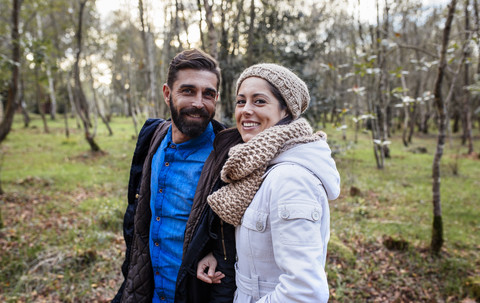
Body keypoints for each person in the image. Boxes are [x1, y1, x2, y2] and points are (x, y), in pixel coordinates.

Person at [197, 63, 341, 302]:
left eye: (260, 101)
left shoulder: (290, 180)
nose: (246, 110)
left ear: (286, 110)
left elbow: (304, 292)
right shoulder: (258, 169)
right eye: (241, 101)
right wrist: (218, 256)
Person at [112, 49, 236, 303]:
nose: (199, 103)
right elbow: (136, 215)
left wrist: (213, 252)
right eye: (188, 91)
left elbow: (235, 238)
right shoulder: (152, 137)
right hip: (147, 291)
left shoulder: (229, 155)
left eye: (208, 94)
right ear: (167, 93)